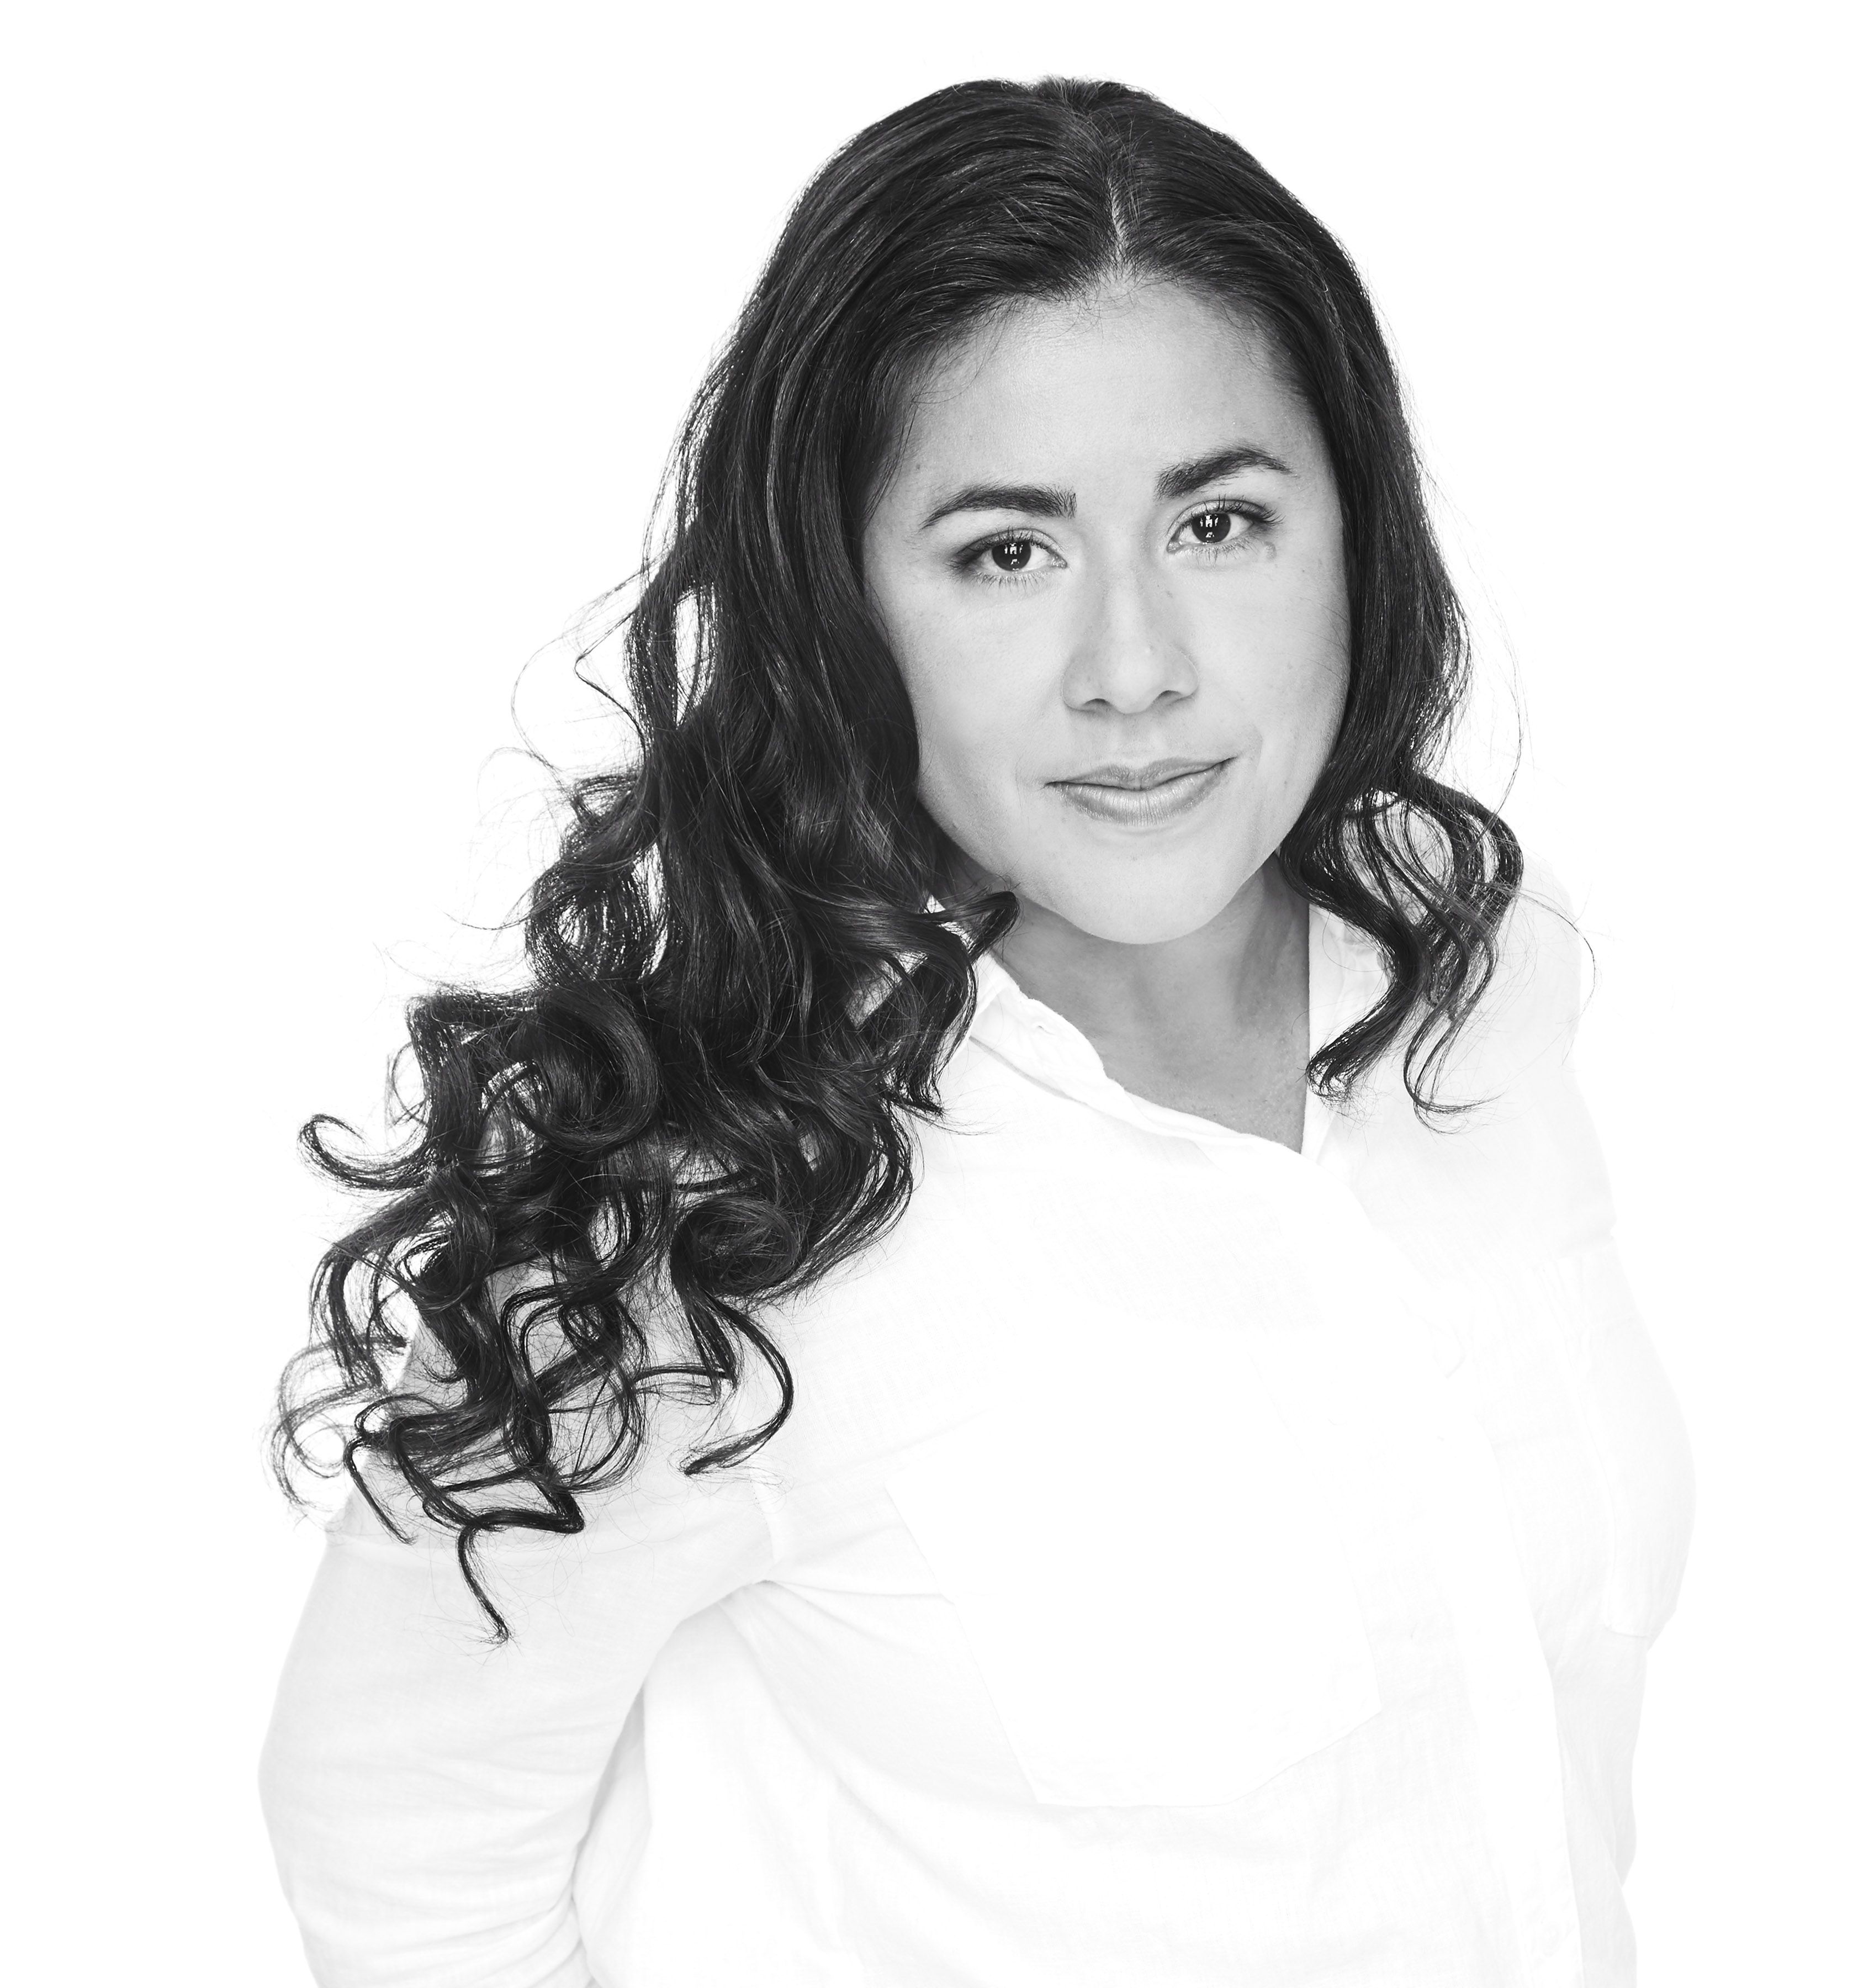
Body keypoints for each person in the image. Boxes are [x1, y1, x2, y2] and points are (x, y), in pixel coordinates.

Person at [260, 74, 1695, 1988]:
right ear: (843, 604)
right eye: (1005, 552)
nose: (1135, 670)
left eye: (1221, 523)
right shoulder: (713, 1211)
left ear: (1356, 534)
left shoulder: (1481, 973)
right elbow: (400, 1843)